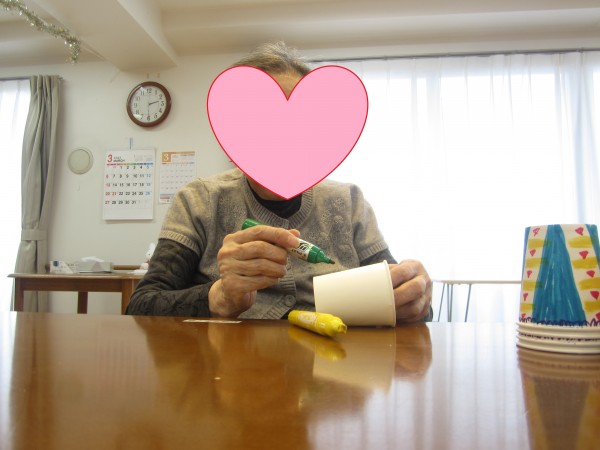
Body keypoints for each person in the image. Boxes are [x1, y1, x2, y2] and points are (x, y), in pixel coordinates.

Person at [126, 42, 433, 322]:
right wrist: (219, 296)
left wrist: (414, 296)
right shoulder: (198, 200)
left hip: (338, 358)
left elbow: (400, 294)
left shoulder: (349, 202)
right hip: (229, 359)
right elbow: (142, 305)